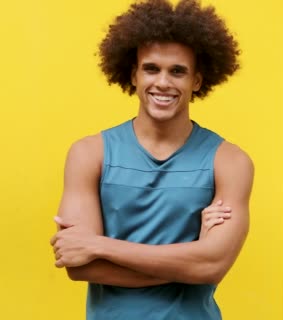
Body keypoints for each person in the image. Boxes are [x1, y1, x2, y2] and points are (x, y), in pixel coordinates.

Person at [50, 0, 254, 319]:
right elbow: (80, 266)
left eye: (177, 71)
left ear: (197, 81)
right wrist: (192, 259)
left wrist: (100, 245)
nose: (163, 82)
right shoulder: (89, 153)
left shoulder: (229, 161)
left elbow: (212, 265)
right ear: (133, 74)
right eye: (151, 68)